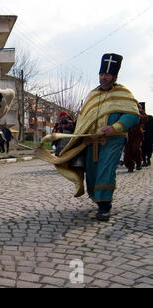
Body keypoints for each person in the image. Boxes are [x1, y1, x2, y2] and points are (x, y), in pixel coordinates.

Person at [36, 53, 139, 222]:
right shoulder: (92, 95)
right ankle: (97, 198)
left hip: (112, 141)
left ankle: (105, 206)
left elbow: (133, 116)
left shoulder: (124, 93)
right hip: (91, 142)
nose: (103, 77)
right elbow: (84, 118)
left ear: (114, 76)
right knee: (91, 172)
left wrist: (115, 127)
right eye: (101, 74)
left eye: (107, 75)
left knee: (106, 170)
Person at [124, 103, 147, 172]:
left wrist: (138, 115)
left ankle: (138, 163)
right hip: (127, 134)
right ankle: (130, 166)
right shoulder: (125, 111)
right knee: (127, 151)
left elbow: (144, 119)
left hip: (137, 134)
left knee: (136, 148)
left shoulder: (139, 111)